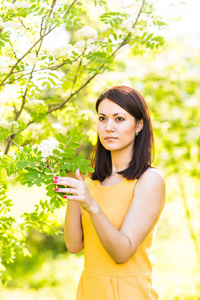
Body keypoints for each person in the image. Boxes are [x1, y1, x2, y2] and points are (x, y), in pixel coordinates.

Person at [53, 85, 165, 300]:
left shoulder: (149, 179)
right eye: (102, 119)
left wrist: (91, 205)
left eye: (119, 119)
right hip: (89, 290)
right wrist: (74, 192)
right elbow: (74, 245)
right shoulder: (93, 180)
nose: (108, 127)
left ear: (139, 124)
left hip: (126, 292)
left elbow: (122, 253)